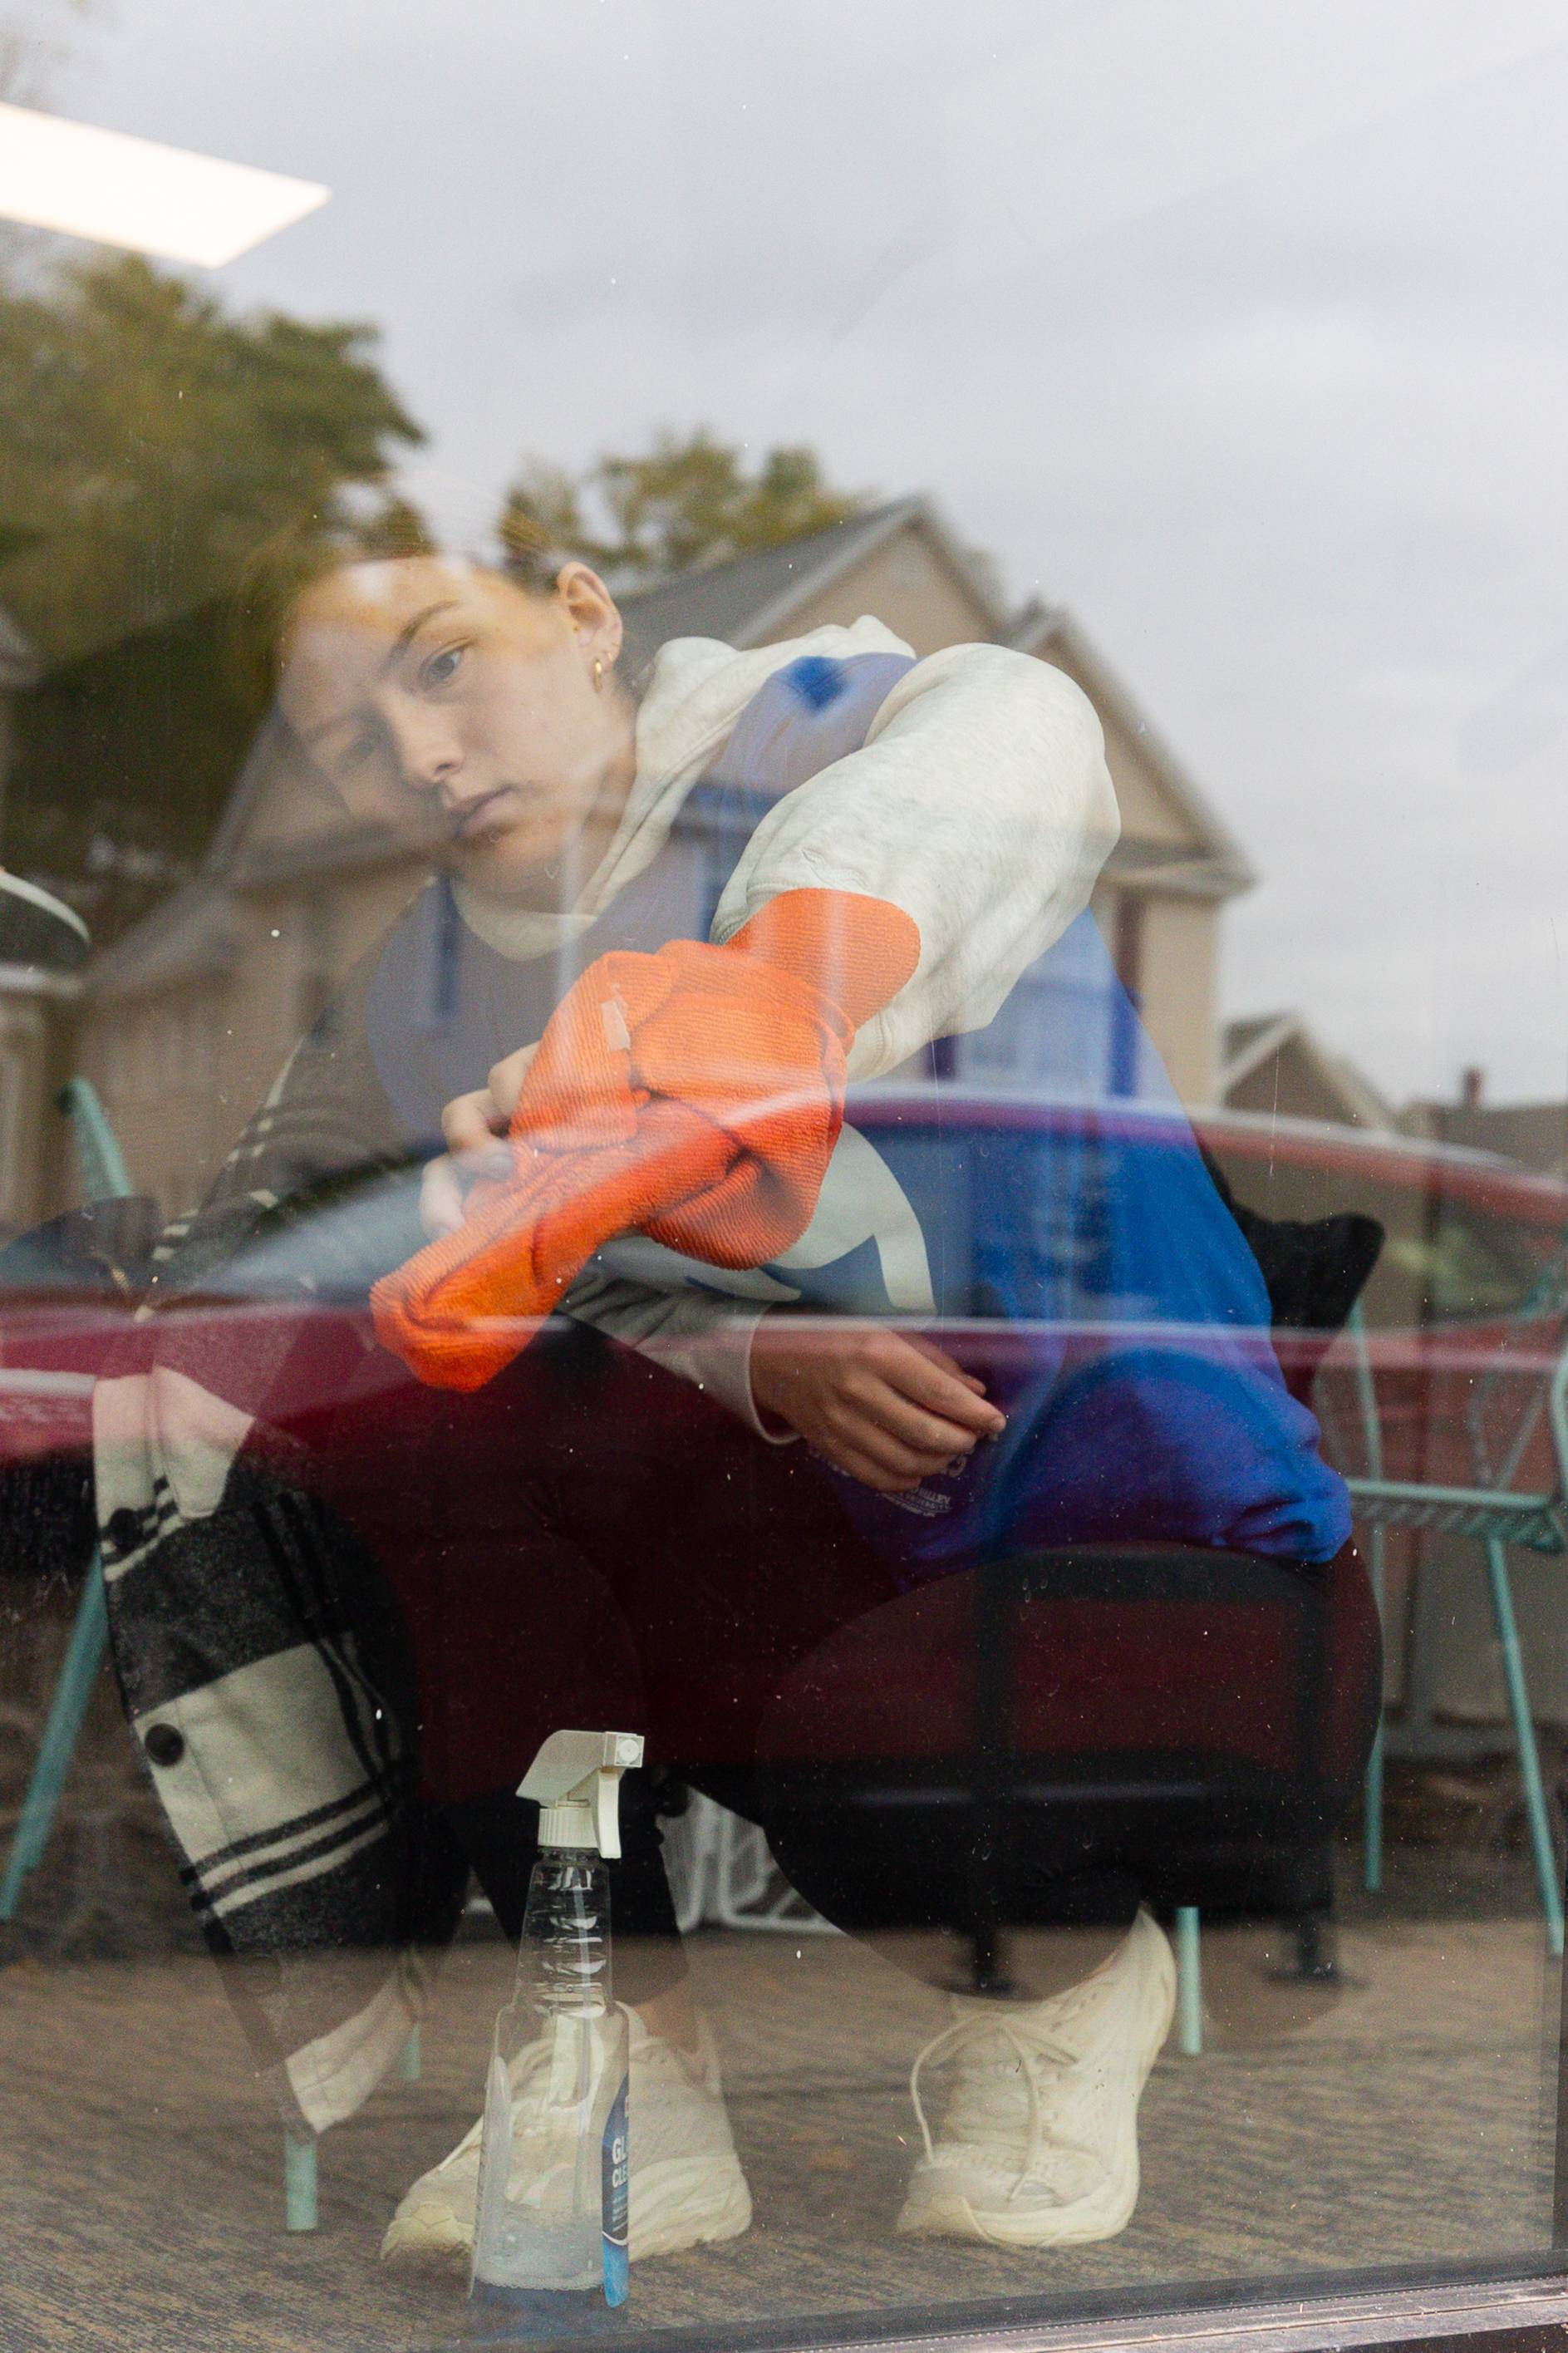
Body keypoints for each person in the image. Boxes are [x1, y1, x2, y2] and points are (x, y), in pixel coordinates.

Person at [92, 526, 1371, 2268]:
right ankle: (623, 2061)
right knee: (406, 1414)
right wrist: (751, 1356)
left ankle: (1066, 1994)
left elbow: (1015, 728)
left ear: (586, 618)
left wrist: (776, 998)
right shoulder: (426, 991)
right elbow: (536, 1283)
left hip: (1166, 1536)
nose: (423, 755)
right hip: (846, 1535)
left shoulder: (804, 737)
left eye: (443, 666)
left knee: (883, 1766)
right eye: (354, 746)